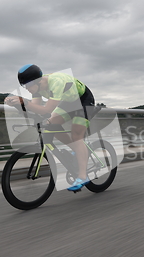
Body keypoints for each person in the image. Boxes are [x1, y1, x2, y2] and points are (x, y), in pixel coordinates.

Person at [5, 64, 95, 192]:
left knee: (76, 136)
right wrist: (18, 105)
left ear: (38, 81)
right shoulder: (36, 88)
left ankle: (82, 176)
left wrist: (24, 101)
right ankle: (77, 150)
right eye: (25, 86)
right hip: (68, 102)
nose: (28, 89)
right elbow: (35, 107)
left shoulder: (56, 82)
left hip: (83, 100)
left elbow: (46, 109)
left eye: (29, 85)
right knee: (49, 124)